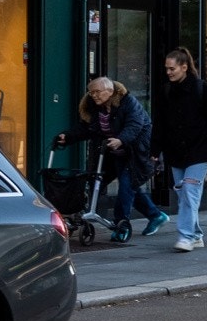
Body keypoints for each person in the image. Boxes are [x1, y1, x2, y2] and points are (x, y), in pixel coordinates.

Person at [56, 77, 168, 242]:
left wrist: (121, 139)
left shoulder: (128, 102)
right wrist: (68, 136)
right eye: (91, 92)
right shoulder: (93, 106)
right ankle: (156, 215)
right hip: (110, 152)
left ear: (110, 91)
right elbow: (86, 127)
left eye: (97, 92)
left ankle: (121, 225)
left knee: (126, 187)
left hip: (135, 153)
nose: (94, 95)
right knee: (125, 186)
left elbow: (134, 125)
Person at [151, 48, 207, 252]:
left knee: (189, 190)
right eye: (167, 69)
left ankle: (185, 236)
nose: (168, 72)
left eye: (172, 68)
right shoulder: (165, 91)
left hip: (200, 150)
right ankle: (196, 234)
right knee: (185, 195)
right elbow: (159, 123)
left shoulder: (202, 89)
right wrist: (155, 149)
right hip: (175, 152)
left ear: (184, 67)